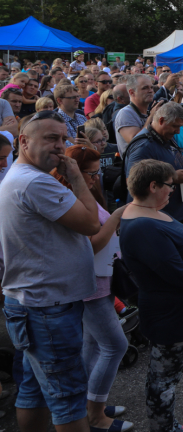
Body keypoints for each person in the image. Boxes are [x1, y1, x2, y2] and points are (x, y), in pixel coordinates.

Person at [0, 111, 100, 432]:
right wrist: (75, 177)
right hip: (47, 309)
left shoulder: (21, 176)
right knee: (68, 398)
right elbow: (90, 223)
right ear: (24, 141)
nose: (60, 146)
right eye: (51, 138)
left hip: (35, 303)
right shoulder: (35, 181)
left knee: (36, 390)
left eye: (62, 138)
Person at [119, 159, 183, 432]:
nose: (173, 190)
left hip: (179, 312)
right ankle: (164, 429)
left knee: (167, 378)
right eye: (169, 185)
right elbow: (177, 274)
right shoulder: (142, 225)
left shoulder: (151, 211)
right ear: (153, 186)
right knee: (164, 380)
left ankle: (168, 426)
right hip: (173, 314)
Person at [50, 145, 132, 432]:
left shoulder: (81, 194)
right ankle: (95, 416)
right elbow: (92, 244)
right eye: (91, 172)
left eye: (98, 172)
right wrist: (117, 216)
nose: (96, 178)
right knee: (115, 344)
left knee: (93, 344)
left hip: (100, 279)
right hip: (91, 285)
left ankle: (88, 405)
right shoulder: (67, 199)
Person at [122, 102, 183, 224]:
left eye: (180, 127)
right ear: (161, 120)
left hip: (174, 215)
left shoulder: (166, 138)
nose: (177, 131)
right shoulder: (143, 146)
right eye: (175, 126)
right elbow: (132, 182)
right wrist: (172, 177)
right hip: (155, 219)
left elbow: (173, 165)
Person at [114, 73, 155, 155]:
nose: (150, 91)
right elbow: (135, 142)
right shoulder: (125, 113)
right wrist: (152, 117)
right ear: (132, 92)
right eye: (145, 88)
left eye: (151, 87)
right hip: (138, 165)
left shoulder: (147, 111)